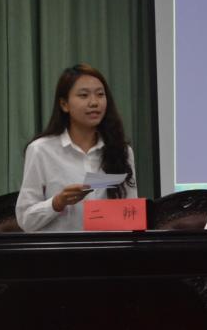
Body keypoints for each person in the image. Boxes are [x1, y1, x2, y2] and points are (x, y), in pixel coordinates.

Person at [16, 63, 137, 232]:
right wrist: (58, 202)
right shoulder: (41, 150)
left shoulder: (121, 150)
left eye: (100, 95)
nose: (94, 102)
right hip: (60, 248)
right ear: (64, 104)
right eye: (84, 95)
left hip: (108, 247)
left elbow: (131, 214)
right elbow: (25, 219)